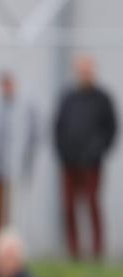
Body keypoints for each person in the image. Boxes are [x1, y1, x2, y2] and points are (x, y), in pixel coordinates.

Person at [54, 55, 117, 260]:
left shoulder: (102, 99)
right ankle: (74, 251)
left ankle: (97, 250)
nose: (84, 74)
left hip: (92, 164)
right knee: (70, 207)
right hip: (70, 163)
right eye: (81, 70)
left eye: (87, 70)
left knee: (92, 204)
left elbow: (110, 129)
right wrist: (64, 153)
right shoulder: (69, 98)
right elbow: (58, 127)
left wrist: (97, 151)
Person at [0, 72, 38, 241]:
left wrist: (24, 163)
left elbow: (32, 137)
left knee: (15, 209)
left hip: (18, 170)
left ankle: (15, 244)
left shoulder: (24, 109)